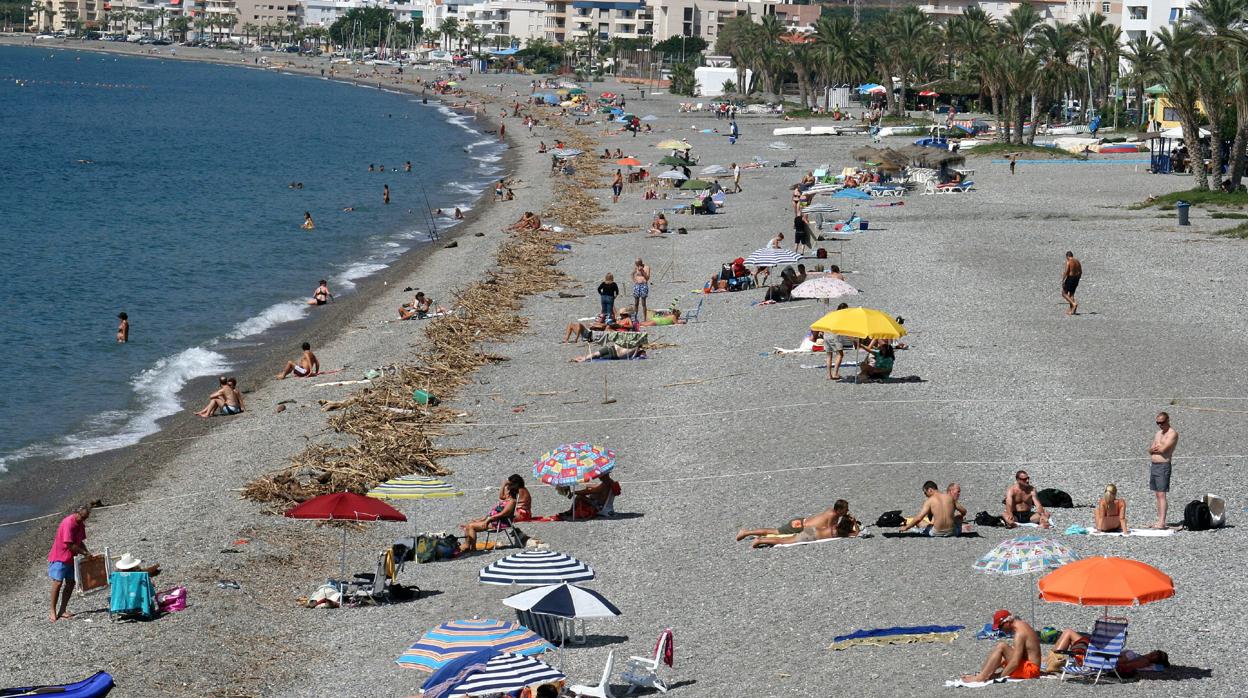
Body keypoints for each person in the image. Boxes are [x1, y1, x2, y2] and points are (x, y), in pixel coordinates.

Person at [962, 610, 1043, 682]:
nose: (1001, 630)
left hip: (1031, 671)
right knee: (1004, 651)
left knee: (1002, 646)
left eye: (1000, 627)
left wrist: (1000, 676)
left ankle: (981, 677)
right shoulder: (1022, 625)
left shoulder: (1020, 634)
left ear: (1007, 622)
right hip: (1030, 666)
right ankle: (982, 674)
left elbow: (1015, 662)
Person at [737, 500, 850, 547]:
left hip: (801, 522)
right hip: (801, 526)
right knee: (774, 532)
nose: (847, 511)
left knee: (775, 531)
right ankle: (746, 532)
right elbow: (829, 529)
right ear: (839, 510)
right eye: (845, 510)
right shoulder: (833, 516)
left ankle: (749, 534)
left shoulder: (831, 511)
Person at [47, 504, 91, 622]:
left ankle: (62, 610)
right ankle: (52, 610)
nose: (83, 520)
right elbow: (69, 544)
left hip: (71, 558)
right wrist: (85, 553)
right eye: (82, 517)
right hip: (60, 557)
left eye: (86, 518)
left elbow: (80, 541)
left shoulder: (80, 524)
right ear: (76, 513)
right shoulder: (68, 523)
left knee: (71, 582)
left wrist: (87, 552)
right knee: (57, 583)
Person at [461, 475, 528, 550]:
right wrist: (482, 519)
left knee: (471, 526)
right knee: (468, 525)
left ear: (510, 492)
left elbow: (503, 514)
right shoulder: (507, 500)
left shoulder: (512, 502)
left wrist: (488, 520)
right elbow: (500, 499)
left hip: (499, 523)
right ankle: (467, 546)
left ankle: (472, 548)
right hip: (494, 521)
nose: (505, 492)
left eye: (506, 490)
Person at [1149, 411, 1178, 529]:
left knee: (1162, 494)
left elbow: (1164, 450)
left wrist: (1158, 448)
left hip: (1163, 465)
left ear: (1167, 421)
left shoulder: (1172, 433)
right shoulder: (1158, 433)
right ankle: (1159, 520)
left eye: (1162, 422)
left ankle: (1162, 522)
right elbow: (1150, 450)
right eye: (1158, 423)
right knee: (1157, 494)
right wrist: (1155, 449)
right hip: (1154, 465)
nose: (1160, 425)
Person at [1061, 251, 1082, 315]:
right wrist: (1078, 279)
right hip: (1076, 278)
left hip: (1070, 278)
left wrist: (1063, 280)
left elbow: (1066, 272)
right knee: (1071, 294)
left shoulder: (1068, 262)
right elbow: (1081, 271)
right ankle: (1072, 310)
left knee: (1064, 293)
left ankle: (1073, 304)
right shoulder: (1077, 261)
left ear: (1067, 256)